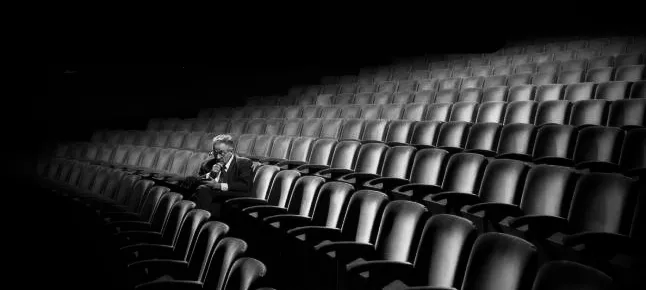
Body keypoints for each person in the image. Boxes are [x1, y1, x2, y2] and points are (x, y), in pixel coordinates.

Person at [190, 134, 253, 216]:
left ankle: (196, 220)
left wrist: (219, 186)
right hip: (208, 198)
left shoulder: (243, 163)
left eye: (221, 153)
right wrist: (211, 175)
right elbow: (196, 182)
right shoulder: (207, 164)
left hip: (231, 198)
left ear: (231, 151)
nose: (218, 157)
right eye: (215, 153)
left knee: (202, 190)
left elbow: (245, 185)